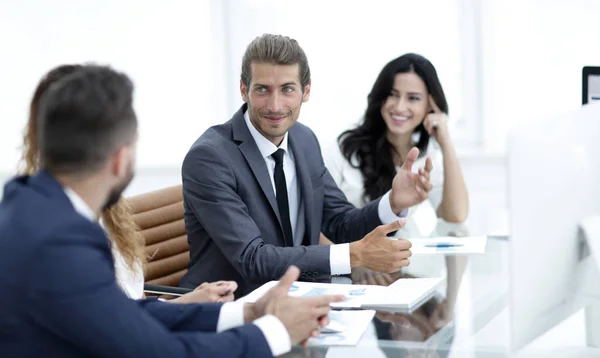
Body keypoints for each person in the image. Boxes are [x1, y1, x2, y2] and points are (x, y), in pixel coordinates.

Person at [0, 64, 343, 357]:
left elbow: (124, 315)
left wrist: (246, 312)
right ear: (121, 159)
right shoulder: (61, 242)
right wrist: (276, 332)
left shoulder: (30, 206)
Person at [180, 34, 434, 296]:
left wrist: (393, 202)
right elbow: (252, 259)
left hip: (301, 300)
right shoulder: (210, 158)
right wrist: (354, 255)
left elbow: (339, 222)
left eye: (287, 89)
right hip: (233, 306)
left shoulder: (303, 140)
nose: (275, 105)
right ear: (244, 90)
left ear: (307, 91)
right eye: (262, 89)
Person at [19, 64, 236, 303]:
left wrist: (191, 302)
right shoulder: (53, 237)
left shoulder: (108, 209)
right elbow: (118, 329)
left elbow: (133, 310)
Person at [323, 53, 468, 249]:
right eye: (392, 94)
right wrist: (353, 264)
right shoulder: (344, 149)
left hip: (396, 267)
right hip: (353, 267)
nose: (400, 107)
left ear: (430, 105)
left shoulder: (425, 157)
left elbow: (455, 215)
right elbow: (316, 224)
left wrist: (445, 140)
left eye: (413, 98)